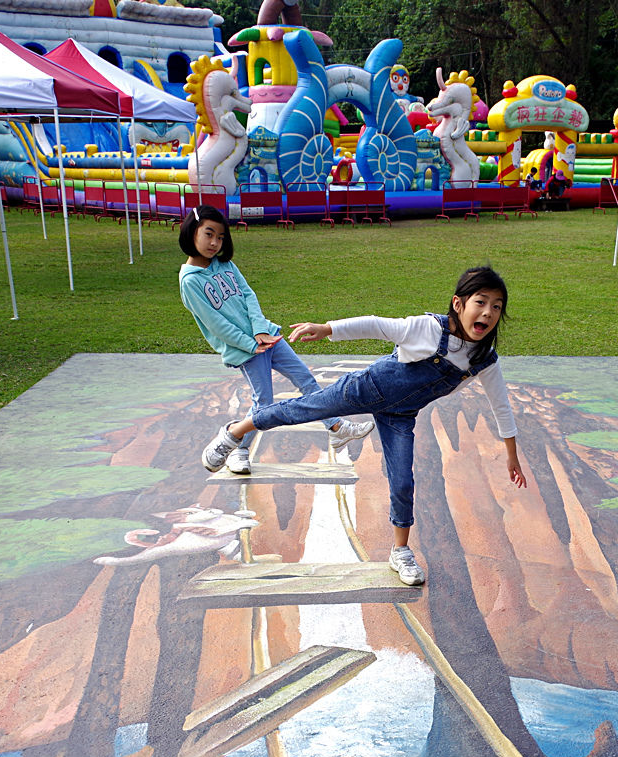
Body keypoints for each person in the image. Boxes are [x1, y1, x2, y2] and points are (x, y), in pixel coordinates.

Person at [200, 266, 527, 586]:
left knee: (402, 482)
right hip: (366, 388)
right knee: (301, 409)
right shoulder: (428, 329)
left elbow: (502, 407)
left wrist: (511, 455)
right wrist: (327, 328)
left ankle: (400, 551)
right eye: (480, 302)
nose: (488, 312)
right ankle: (234, 432)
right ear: (459, 304)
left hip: (401, 414)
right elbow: (377, 325)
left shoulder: (484, 359)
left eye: (497, 307)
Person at [178, 204, 371, 474]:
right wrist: (250, 344)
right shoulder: (190, 281)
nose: (214, 242)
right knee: (264, 403)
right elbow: (216, 325)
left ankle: (336, 427)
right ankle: (237, 447)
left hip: (267, 336)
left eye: (220, 237)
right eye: (208, 234)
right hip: (245, 350)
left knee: (305, 378)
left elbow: (248, 296)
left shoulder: (225, 264)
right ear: (191, 231)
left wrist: (260, 330)